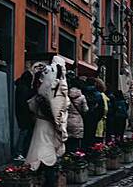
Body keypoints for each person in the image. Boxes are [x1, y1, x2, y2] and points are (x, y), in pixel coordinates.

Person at [26, 58, 68, 187]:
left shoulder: (44, 86)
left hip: (41, 124)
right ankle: (47, 181)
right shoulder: (57, 83)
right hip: (48, 125)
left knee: (40, 152)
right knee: (46, 154)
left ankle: (39, 179)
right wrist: (60, 125)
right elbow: (57, 107)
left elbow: (32, 106)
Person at [14, 70, 35, 161]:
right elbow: (24, 102)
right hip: (24, 114)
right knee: (24, 133)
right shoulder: (24, 88)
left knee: (24, 132)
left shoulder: (20, 86)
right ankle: (19, 152)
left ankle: (20, 152)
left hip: (21, 113)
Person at [66, 80, 88, 152]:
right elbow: (85, 109)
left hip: (67, 119)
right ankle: (75, 155)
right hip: (78, 120)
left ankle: (67, 155)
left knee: (68, 140)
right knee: (76, 140)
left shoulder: (66, 96)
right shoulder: (82, 97)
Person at [82, 78, 103, 148]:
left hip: (84, 117)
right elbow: (102, 108)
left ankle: (83, 151)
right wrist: (97, 118)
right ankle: (91, 151)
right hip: (94, 117)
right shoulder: (98, 94)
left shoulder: (83, 92)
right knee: (92, 135)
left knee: (84, 136)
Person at [94, 78, 109, 143]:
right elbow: (106, 109)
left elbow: (104, 109)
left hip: (98, 120)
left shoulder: (100, 95)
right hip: (101, 120)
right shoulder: (103, 95)